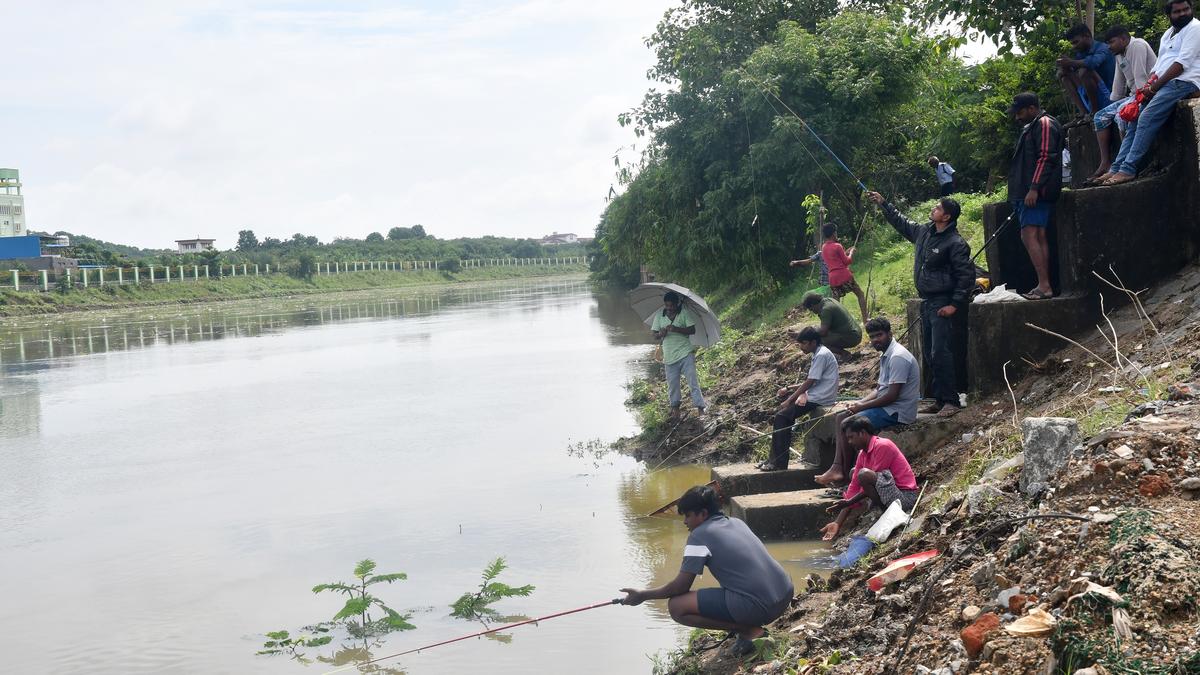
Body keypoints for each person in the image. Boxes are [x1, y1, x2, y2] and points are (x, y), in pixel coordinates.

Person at [620, 485, 794, 656]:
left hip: (760, 607)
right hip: (784, 595)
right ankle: (747, 625)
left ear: (703, 514)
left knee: (676, 606)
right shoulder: (736, 522)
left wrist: (643, 595)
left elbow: (680, 587)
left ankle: (748, 630)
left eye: (688, 516)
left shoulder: (698, 536)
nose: (685, 522)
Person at [866, 191, 973, 417]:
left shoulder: (955, 243)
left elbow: (966, 276)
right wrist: (884, 204)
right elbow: (902, 223)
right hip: (927, 302)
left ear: (946, 217)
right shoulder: (925, 232)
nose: (933, 209)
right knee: (929, 352)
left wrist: (954, 304)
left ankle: (951, 401)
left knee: (941, 352)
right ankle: (939, 398)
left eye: (938, 207)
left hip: (942, 302)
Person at [1102, 0, 1200, 185]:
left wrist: (1153, 88)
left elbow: (1180, 65)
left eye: (1186, 9)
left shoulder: (1195, 28)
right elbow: (1159, 66)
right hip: (1165, 82)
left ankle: (1128, 169)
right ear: (1169, 15)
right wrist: (1148, 86)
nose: (1183, 14)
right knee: (1134, 118)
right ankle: (1116, 168)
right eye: (1177, 11)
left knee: (1147, 117)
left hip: (1185, 81)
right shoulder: (1168, 34)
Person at [815, 317, 920, 487]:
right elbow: (879, 389)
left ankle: (843, 473)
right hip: (887, 406)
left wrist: (862, 407)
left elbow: (892, 396)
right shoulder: (886, 354)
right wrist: (858, 404)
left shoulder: (898, 357)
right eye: (872, 337)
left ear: (889, 333)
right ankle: (838, 468)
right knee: (841, 416)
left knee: (848, 422)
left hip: (897, 411)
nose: (875, 340)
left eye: (879, 335)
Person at [819, 416, 919, 541]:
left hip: (905, 498)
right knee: (854, 472)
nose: (849, 442)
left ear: (862, 433)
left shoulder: (883, 445)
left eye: (851, 437)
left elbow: (870, 482)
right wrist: (837, 522)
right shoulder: (863, 454)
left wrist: (850, 502)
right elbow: (854, 488)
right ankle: (881, 509)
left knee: (863, 474)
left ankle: (883, 510)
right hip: (890, 494)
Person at [1007, 92, 1064, 301]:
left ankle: (1044, 286)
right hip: (1027, 191)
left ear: (1032, 108)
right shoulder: (1031, 127)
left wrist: (1034, 187)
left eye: (1020, 112)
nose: (1017, 117)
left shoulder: (1045, 124)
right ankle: (1044, 285)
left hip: (1036, 192)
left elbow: (1046, 157)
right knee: (1035, 235)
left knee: (1030, 236)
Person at [761, 326, 839, 471]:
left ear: (813, 342)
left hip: (821, 397)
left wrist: (789, 400)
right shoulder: (818, 353)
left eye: (804, 343)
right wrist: (789, 388)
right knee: (784, 416)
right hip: (817, 394)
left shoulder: (821, 355)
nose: (801, 347)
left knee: (782, 416)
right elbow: (812, 380)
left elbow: (810, 381)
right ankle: (775, 458)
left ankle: (778, 462)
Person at [1088, 26, 1158, 179]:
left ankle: (1125, 165)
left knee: (1122, 115)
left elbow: (1141, 79)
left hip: (1147, 92)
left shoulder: (1137, 45)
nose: (1109, 46)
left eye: (1111, 42)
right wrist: (1114, 102)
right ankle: (1106, 162)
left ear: (1124, 39)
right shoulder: (1118, 54)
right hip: (1134, 95)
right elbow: (1118, 84)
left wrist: (1129, 104)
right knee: (1100, 116)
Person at [651, 290, 706, 419]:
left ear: (677, 304)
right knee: (673, 384)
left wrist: (676, 329)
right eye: (667, 305)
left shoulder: (684, 313)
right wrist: (660, 334)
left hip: (685, 353)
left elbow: (692, 330)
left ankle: (700, 408)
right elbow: (654, 334)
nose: (669, 308)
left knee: (693, 381)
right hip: (669, 356)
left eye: (671, 306)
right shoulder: (660, 315)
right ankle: (675, 409)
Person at [1057, 23, 1117, 120]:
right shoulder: (1081, 53)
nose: (1074, 46)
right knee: (1065, 77)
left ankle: (1095, 111)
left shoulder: (1103, 48)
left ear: (1087, 36)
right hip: (1091, 95)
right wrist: (1065, 68)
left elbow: (1093, 63)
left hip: (1109, 95)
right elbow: (1075, 71)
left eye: (1076, 42)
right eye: (1072, 43)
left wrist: (1071, 62)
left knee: (1085, 71)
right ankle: (1083, 112)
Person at [820, 224, 869, 325]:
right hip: (844, 276)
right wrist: (851, 252)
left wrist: (845, 252)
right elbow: (847, 261)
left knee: (836, 304)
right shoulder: (837, 246)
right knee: (860, 294)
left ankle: (838, 324)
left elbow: (836, 259)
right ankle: (865, 320)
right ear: (834, 233)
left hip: (833, 279)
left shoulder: (824, 247)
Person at [797, 292, 862, 359]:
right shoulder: (828, 300)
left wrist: (804, 335)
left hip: (852, 337)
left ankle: (844, 354)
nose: (812, 311)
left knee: (818, 340)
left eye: (811, 309)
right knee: (817, 331)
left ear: (813, 304)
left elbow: (823, 332)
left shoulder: (825, 310)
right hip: (855, 332)